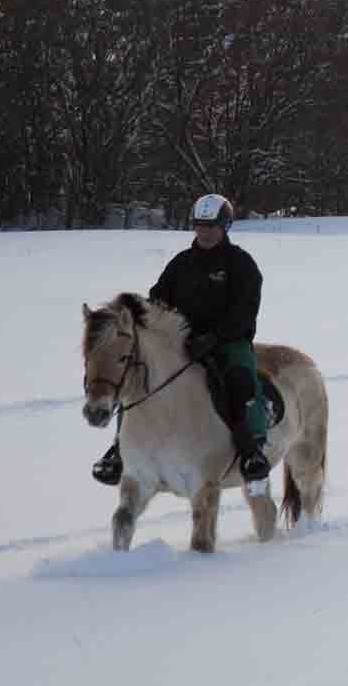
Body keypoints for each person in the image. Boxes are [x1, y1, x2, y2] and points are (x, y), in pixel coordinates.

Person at [92, 194, 271, 486]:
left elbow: (245, 311)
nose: (205, 231)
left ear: (225, 226)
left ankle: (250, 450)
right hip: (179, 343)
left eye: (211, 225)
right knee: (135, 378)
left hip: (228, 342)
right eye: (199, 225)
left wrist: (213, 337)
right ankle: (118, 450)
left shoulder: (241, 264)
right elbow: (158, 300)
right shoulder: (181, 263)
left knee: (240, 381)